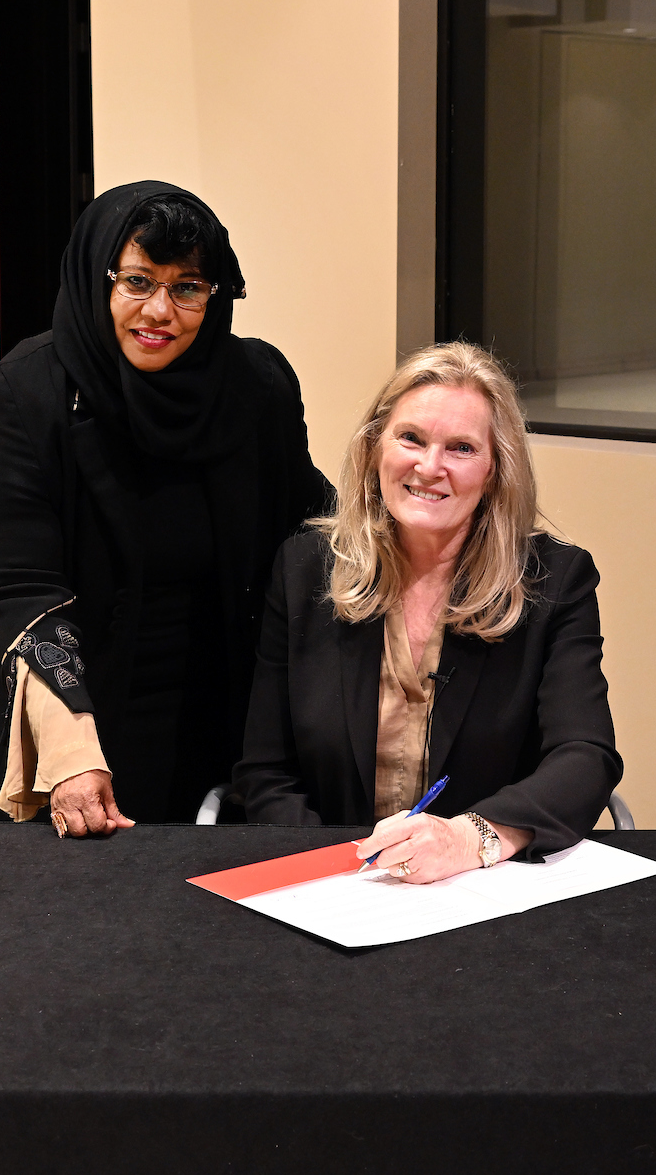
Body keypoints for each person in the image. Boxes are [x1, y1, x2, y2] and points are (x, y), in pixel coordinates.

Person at [0, 182, 332, 832]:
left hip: (197, 711)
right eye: (138, 281)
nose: (160, 311)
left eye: (188, 287)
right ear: (95, 276)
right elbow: (12, 585)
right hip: (46, 715)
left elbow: (309, 525)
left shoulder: (256, 388)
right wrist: (72, 748)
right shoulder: (18, 399)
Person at [234, 342, 621, 881]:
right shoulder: (304, 569)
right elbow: (266, 773)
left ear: (495, 470)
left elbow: (586, 756)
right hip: (331, 888)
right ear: (375, 450)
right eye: (410, 438)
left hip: (485, 886)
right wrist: (338, 875)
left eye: (461, 448)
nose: (429, 466)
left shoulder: (555, 582)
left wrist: (469, 839)